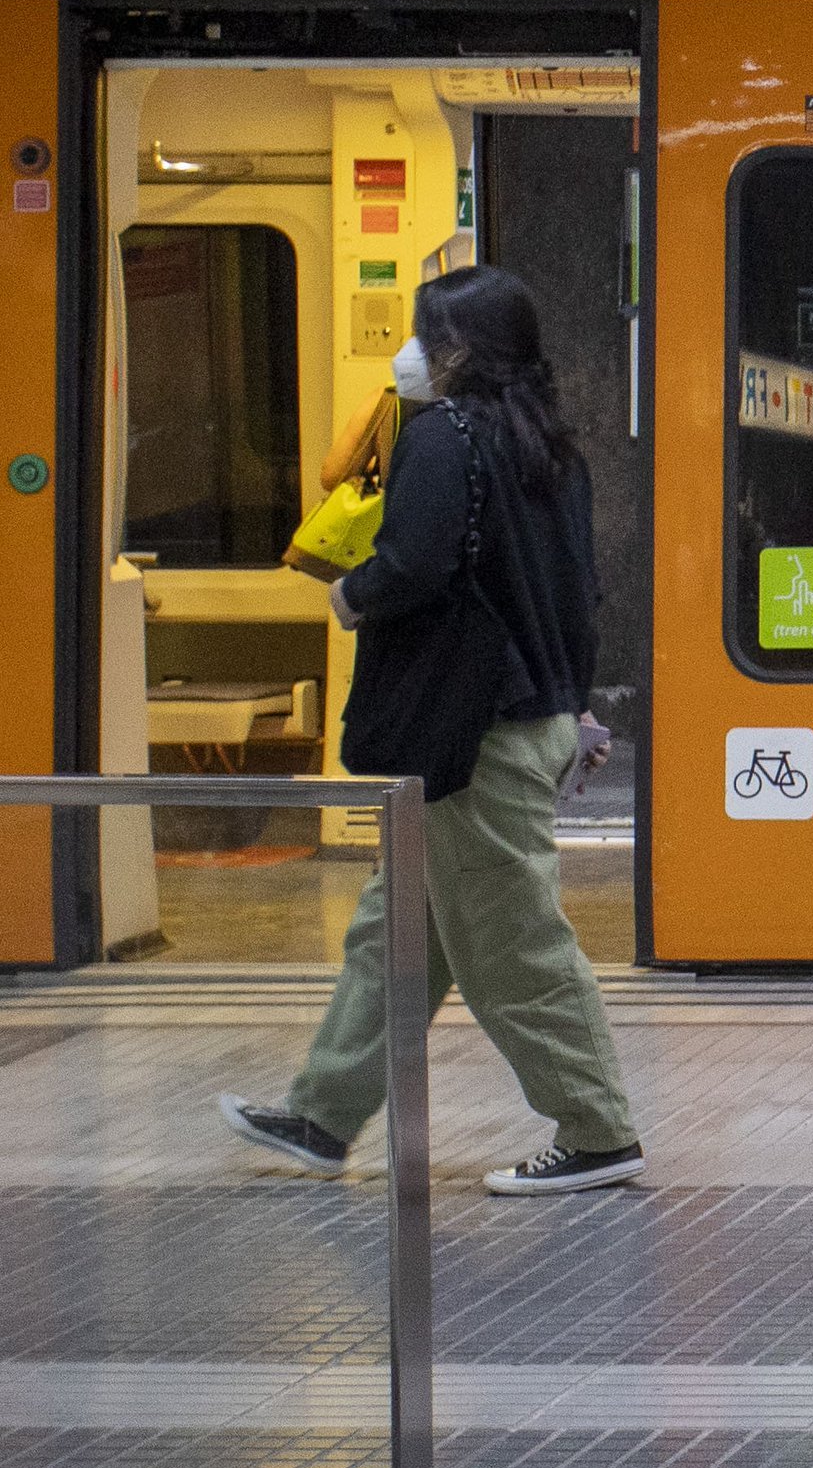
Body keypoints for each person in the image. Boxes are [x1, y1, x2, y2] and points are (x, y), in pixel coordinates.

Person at [217, 267, 645, 1197]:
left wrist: (350, 591)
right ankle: (324, 1115)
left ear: (454, 349)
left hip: (472, 736)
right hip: (517, 719)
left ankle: (598, 1128)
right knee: (396, 933)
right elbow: (580, 592)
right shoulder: (552, 449)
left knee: (515, 943)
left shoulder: (444, 436)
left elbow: (414, 559)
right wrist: (574, 703)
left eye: (421, 335)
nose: (408, 351)